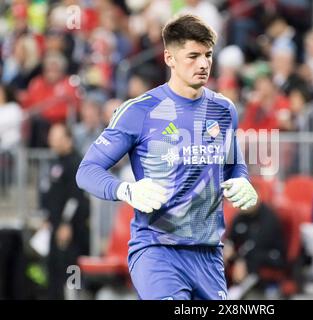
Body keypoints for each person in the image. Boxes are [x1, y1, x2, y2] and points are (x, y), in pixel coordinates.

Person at [76, 14, 258, 300]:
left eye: (208, 55)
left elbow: (234, 163)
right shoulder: (139, 111)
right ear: (169, 58)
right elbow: (87, 170)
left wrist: (242, 180)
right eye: (193, 55)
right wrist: (126, 189)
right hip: (156, 251)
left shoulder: (224, 110)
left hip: (209, 254)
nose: (203, 64)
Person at [39, 123, 90, 299]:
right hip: (54, 227)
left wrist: (66, 223)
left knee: (71, 269)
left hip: (71, 231)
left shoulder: (76, 162)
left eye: (57, 137)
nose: (51, 141)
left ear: (68, 140)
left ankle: (74, 296)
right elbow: (49, 193)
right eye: (51, 137)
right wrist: (46, 217)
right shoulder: (55, 162)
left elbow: (76, 198)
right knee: (53, 269)